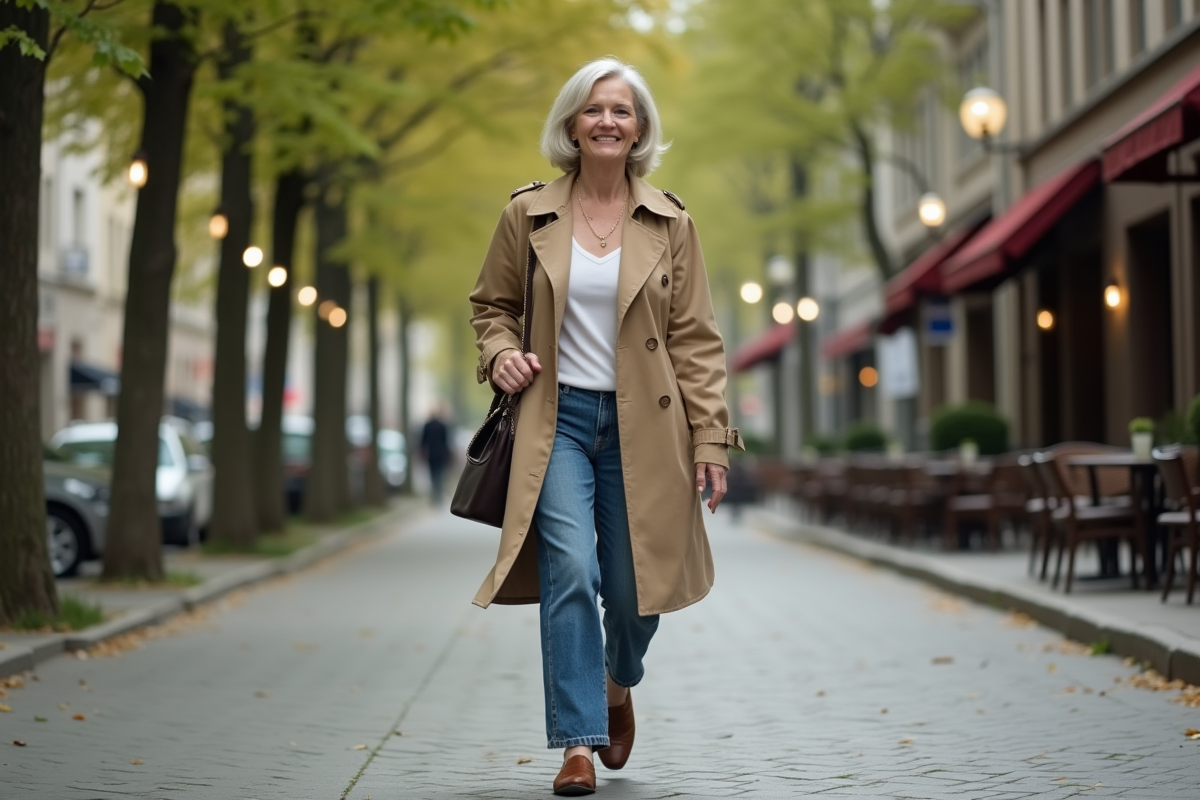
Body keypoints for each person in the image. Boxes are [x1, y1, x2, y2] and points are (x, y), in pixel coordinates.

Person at [468, 57, 742, 796]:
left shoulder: (671, 221)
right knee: (572, 571)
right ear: (571, 125)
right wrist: (499, 356)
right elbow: (490, 306)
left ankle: (619, 684)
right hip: (555, 422)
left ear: (641, 127)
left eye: (622, 110)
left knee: (630, 589)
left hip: (646, 429)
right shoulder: (526, 214)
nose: (608, 121)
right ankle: (578, 743)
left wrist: (712, 436)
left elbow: (696, 341)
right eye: (593, 110)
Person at [419, 403, 452, 504]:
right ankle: (438, 497)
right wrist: (448, 455)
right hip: (440, 455)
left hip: (431, 455)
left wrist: (422, 453)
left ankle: (434, 497)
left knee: (433, 476)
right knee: (439, 476)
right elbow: (446, 442)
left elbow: (423, 441)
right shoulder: (442, 426)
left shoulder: (427, 426)